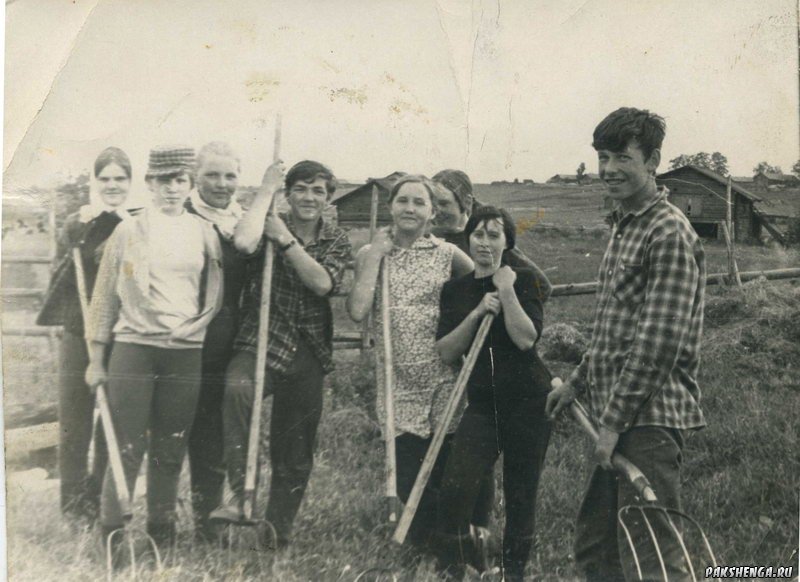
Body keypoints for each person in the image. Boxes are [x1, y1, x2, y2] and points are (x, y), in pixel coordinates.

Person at [546, 108, 706, 581]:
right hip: (618, 412)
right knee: (598, 548)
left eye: (622, 156)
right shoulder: (626, 226)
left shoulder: (668, 231)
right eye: (602, 156)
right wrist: (577, 383)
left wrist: (613, 424)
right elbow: (614, 330)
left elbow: (657, 343)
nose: (609, 168)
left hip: (648, 420)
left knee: (653, 558)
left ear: (653, 160)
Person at [85, 145, 223, 552]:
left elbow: (213, 292)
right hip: (134, 348)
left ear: (189, 184)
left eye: (179, 180)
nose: (171, 189)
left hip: (184, 351)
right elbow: (103, 298)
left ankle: (160, 536)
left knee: (170, 444)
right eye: (163, 181)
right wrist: (96, 358)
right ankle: (111, 536)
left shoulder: (204, 232)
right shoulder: (128, 230)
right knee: (127, 445)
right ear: (149, 183)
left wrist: (194, 329)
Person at [210, 160, 352, 550]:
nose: (309, 197)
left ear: (328, 198)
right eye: (301, 189)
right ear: (288, 193)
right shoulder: (266, 221)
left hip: (307, 349)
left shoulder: (336, 239)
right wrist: (265, 192)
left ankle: (277, 531)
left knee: (295, 445)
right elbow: (242, 242)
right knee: (238, 390)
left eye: (318, 191)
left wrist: (286, 240)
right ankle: (240, 494)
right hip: (261, 339)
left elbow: (323, 283)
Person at [347, 175, 493, 557]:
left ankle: (459, 539)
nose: (410, 209)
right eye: (403, 201)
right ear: (392, 206)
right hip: (397, 378)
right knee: (410, 469)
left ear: (432, 212)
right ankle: (425, 544)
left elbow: (485, 278)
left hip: (442, 373)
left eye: (419, 203)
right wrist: (377, 253)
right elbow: (358, 310)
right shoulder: (370, 254)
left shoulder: (447, 254)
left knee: (448, 463)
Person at [433, 205, 552, 581]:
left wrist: (506, 290)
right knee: (456, 485)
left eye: (493, 235)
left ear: (507, 242)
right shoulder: (456, 289)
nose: (484, 242)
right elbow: (447, 351)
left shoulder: (526, 279)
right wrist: (476, 313)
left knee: (520, 493)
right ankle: (458, 566)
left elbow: (525, 339)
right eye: (478, 234)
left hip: (530, 403)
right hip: (484, 405)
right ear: (468, 237)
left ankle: (512, 573)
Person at [36, 147, 139, 523]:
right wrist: (84, 235)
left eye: (120, 179)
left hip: (123, 333)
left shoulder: (137, 223)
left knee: (112, 417)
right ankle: (72, 508)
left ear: (130, 183)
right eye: (105, 179)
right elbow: (63, 277)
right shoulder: (76, 224)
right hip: (80, 330)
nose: (112, 185)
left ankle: (97, 497)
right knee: (74, 418)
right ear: (95, 183)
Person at [184, 142, 248, 542]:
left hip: (232, 336)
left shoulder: (242, 220)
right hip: (189, 335)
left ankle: (212, 519)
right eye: (212, 174)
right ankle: (173, 516)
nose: (222, 184)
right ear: (195, 178)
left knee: (217, 429)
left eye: (230, 176)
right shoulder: (184, 216)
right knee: (188, 427)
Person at [431, 169, 552, 301]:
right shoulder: (426, 236)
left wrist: (503, 310)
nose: (436, 211)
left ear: (466, 202)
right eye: (432, 203)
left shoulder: (485, 239)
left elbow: (542, 286)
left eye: (444, 203)